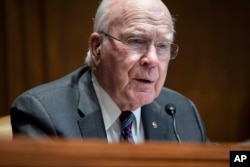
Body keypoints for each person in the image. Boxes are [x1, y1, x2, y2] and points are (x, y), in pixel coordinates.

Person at [10, 0, 208, 143]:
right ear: (97, 47)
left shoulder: (181, 112)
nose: (153, 60)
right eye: (136, 41)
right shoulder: (44, 115)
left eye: (162, 45)